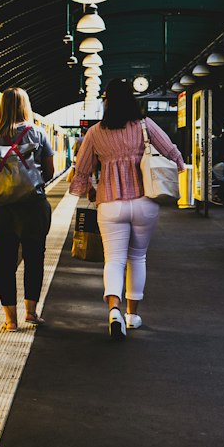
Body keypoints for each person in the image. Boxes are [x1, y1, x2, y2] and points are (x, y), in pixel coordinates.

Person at [70, 77, 186, 340]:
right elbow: (169, 149)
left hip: (110, 204)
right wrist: (180, 166)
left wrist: (86, 187)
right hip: (144, 201)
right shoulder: (144, 125)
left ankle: (114, 311)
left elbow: (82, 168)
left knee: (114, 260)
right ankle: (133, 316)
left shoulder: (96, 132)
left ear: (107, 102)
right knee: (138, 258)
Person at [0, 87, 55, 331]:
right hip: (32, 208)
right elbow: (50, 172)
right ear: (26, 106)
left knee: (4, 262)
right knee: (34, 259)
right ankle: (31, 313)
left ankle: (10, 321)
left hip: (1, 209)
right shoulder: (38, 134)